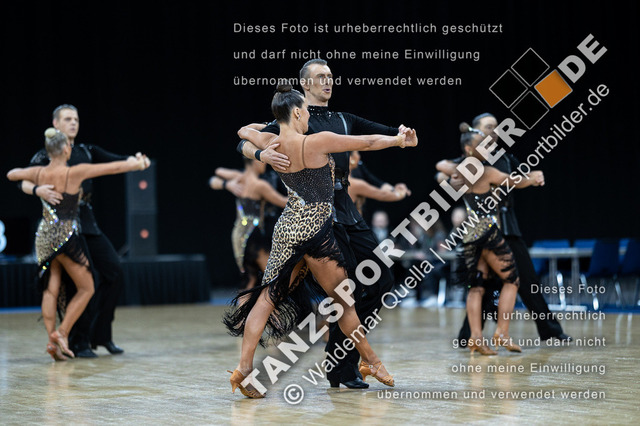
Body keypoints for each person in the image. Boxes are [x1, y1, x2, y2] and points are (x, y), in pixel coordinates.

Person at [224, 84, 417, 398]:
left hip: (287, 228)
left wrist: (261, 152)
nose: (308, 116)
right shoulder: (317, 141)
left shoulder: (271, 142)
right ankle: (372, 362)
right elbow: (367, 142)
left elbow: (243, 131)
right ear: (297, 113)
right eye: (305, 111)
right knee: (344, 301)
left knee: (267, 298)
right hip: (316, 231)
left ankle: (243, 369)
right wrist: (398, 139)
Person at [7, 128, 149, 360]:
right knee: (87, 288)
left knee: (51, 289)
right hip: (65, 237)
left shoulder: (38, 171)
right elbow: (112, 168)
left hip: (44, 237)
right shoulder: (74, 172)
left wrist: (37, 188)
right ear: (66, 149)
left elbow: (12, 174)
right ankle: (62, 333)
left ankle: (51, 340)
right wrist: (136, 164)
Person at [437, 113, 571, 344]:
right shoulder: (472, 159)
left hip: (506, 228)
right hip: (483, 231)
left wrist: (534, 177)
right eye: (489, 127)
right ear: (476, 132)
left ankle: (549, 330)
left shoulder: (505, 159)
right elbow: (442, 169)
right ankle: (472, 336)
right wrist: (447, 179)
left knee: (525, 281)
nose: (494, 131)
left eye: (496, 127)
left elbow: (520, 177)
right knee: (483, 284)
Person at [210, 157, 288, 290]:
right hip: (253, 235)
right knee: (272, 277)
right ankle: (270, 303)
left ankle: (247, 304)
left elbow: (218, 172)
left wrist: (227, 184)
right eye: (262, 161)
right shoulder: (260, 185)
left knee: (249, 277)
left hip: (239, 235)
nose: (264, 164)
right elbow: (283, 202)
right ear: (255, 161)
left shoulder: (239, 178)